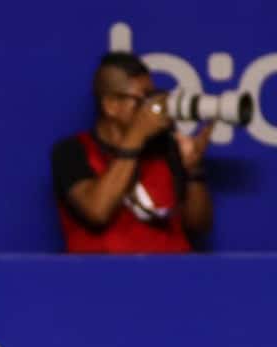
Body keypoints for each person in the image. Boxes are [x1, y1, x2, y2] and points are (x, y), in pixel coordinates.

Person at [52, 52, 213, 253]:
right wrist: (136, 135)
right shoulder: (71, 151)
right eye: (142, 99)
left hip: (172, 269)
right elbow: (97, 211)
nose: (151, 107)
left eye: (153, 96)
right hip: (104, 271)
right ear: (111, 105)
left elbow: (198, 225)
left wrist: (194, 169)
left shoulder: (166, 147)